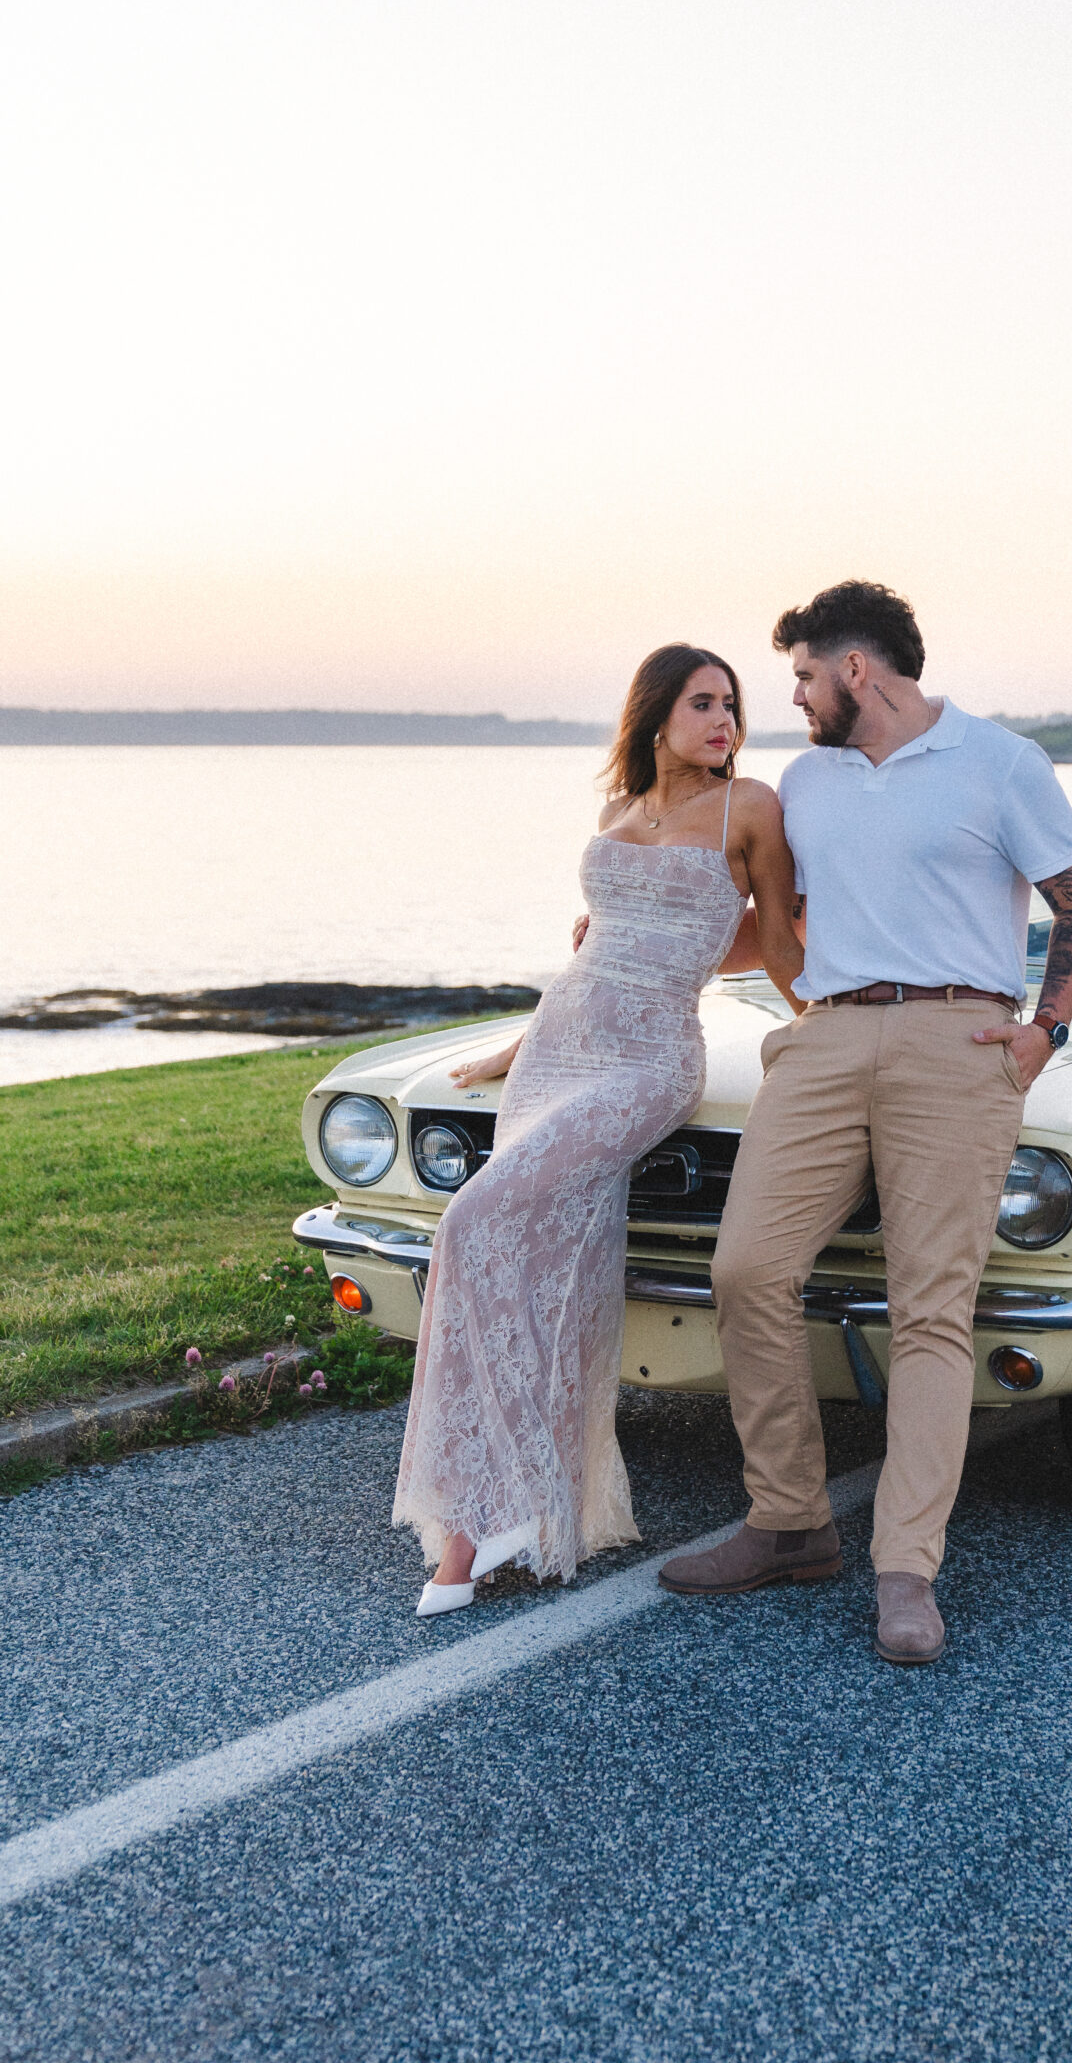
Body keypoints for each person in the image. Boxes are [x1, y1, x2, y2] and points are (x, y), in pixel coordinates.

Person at [660, 581, 1072, 1664]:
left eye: (806, 675)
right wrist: (642, 944)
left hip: (958, 1043)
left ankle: (907, 1570)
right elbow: (779, 928)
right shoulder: (806, 784)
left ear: (856, 670)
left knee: (931, 1310)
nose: (797, 698)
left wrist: (1045, 1030)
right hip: (825, 1035)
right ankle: (791, 1521)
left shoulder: (1002, 763)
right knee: (747, 1269)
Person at [394, 645, 804, 1619]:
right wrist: (519, 1042)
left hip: (647, 1059)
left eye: (733, 704)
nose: (724, 720)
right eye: (703, 703)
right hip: (562, 1045)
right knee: (546, 1256)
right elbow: (608, 943)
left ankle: (501, 1504)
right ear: (655, 714)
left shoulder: (751, 808)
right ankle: (499, 1511)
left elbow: (776, 935)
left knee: (477, 1220)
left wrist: (823, 1020)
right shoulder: (617, 813)